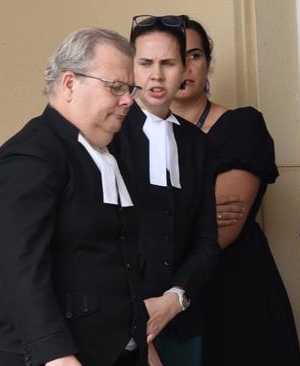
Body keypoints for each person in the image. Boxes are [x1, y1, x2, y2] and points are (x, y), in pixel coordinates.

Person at [0, 28, 148, 366]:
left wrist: (140, 342)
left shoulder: (111, 158)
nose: (128, 100)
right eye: (116, 87)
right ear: (70, 83)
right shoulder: (27, 158)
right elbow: (20, 272)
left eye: (131, 89)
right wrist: (57, 357)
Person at [170, 16, 300, 366]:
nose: (184, 67)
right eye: (172, 58)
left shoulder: (241, 126)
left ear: (208, 63)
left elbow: (223, 229)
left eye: (194, 55)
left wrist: (152, 221)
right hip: (164, 299)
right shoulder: (130, 136)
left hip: (235, 292)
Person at [109, 15, 219, 366]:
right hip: (119, 323)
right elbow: (100, 237)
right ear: (131, 68)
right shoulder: (110, 135)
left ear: (185, 68)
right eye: (146, 63)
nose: (157, 75)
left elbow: (206, 240)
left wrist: (176, 298)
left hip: (184, 320)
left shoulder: (196, 144)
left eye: (168, 63)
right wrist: (139, 320)